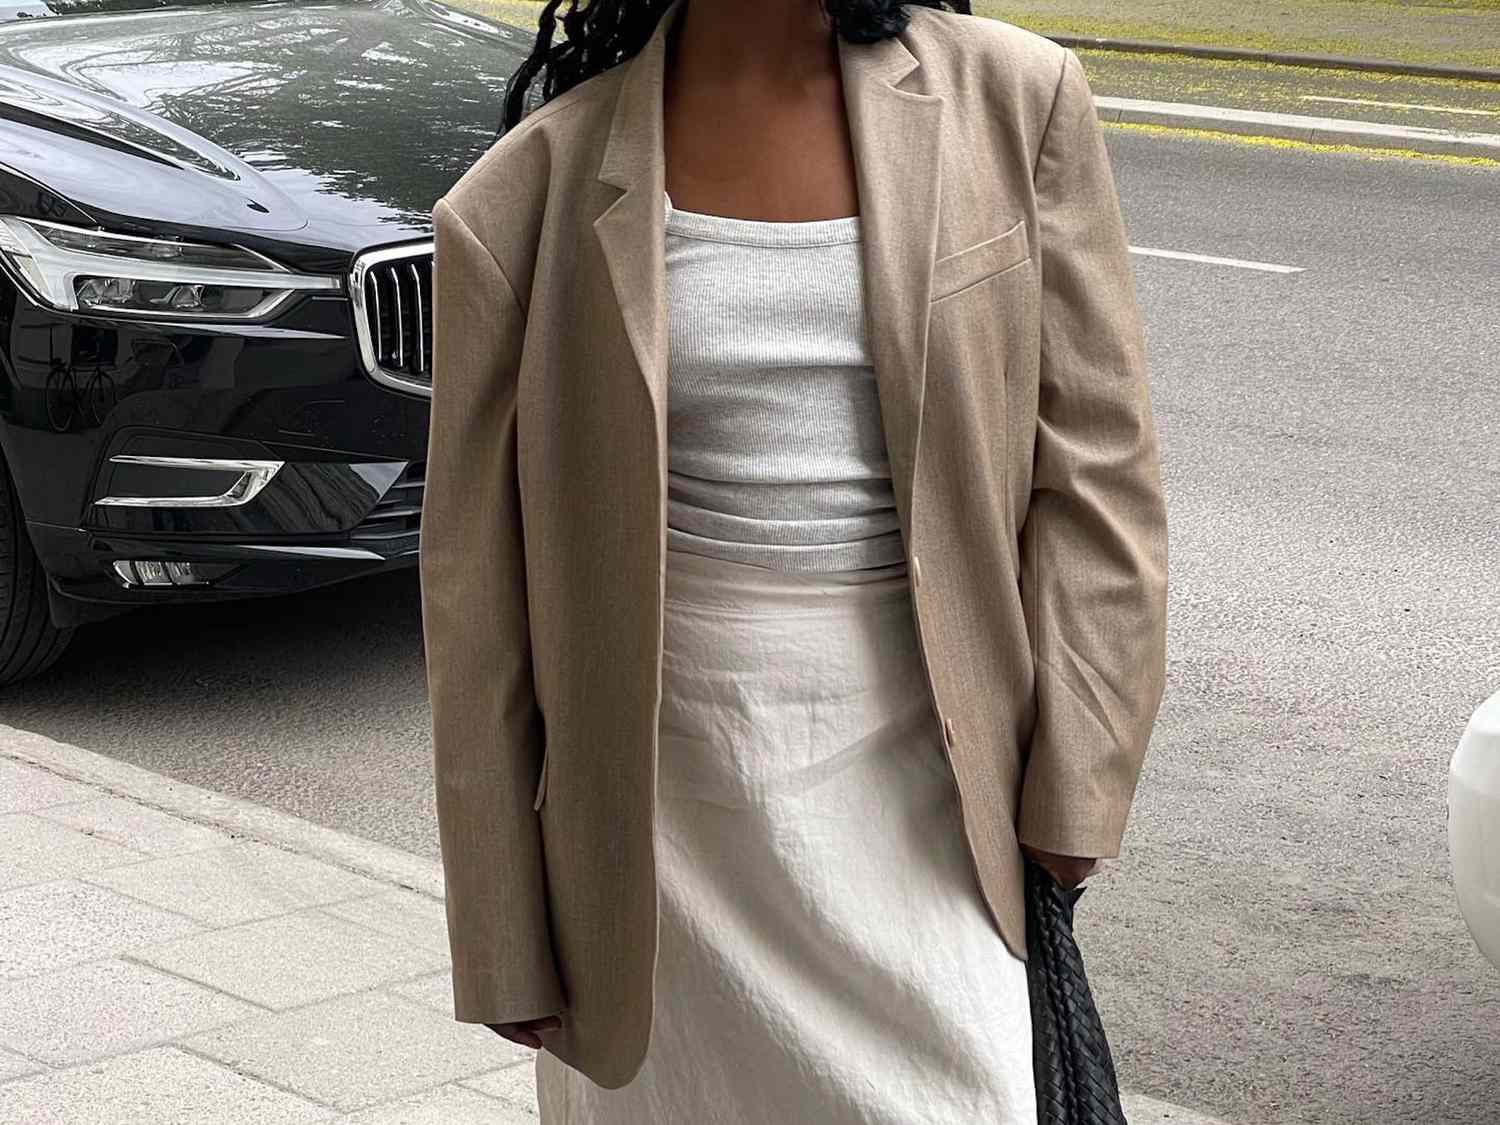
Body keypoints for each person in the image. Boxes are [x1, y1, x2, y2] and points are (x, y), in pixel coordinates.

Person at [419, 0, 1168, 1122]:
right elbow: (476, 597)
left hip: (934, 785)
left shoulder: (1016, 100)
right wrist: (502, 926)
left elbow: (1098, 475)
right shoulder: (529, 191)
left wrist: (1079, 783)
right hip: (659, 826)